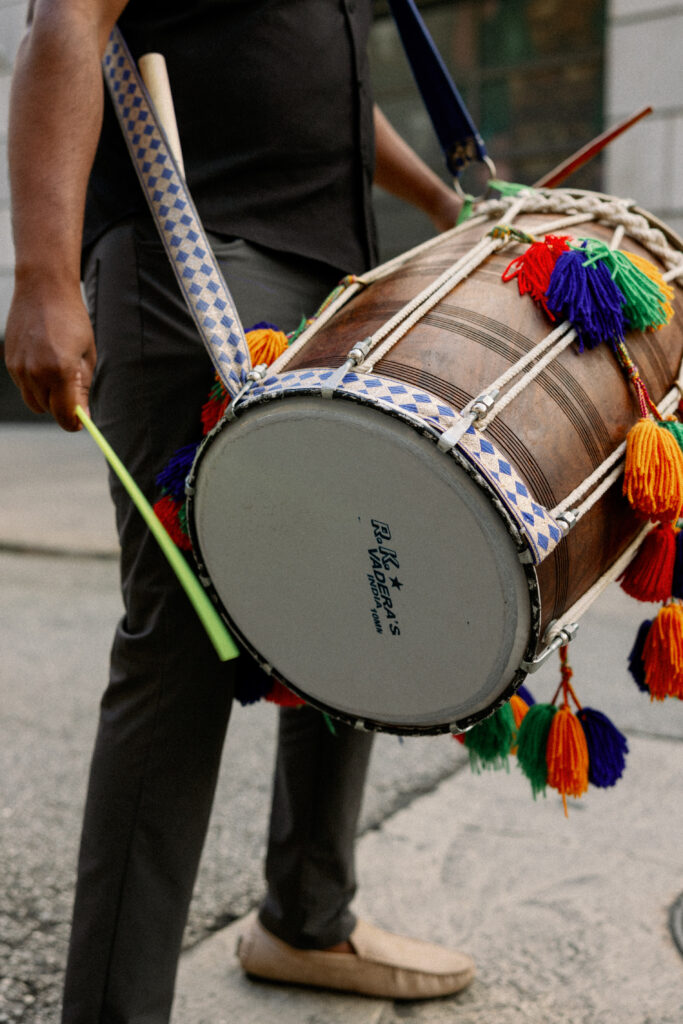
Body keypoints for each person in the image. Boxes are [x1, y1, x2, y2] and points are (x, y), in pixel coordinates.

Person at [5, 2, 474, 1021]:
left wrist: (440, 197)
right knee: (179, 646)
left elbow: (327, 99)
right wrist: (42, 272)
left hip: (331, 281)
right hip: (196, 257)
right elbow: (64, 24)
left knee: (359, 588)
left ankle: (307, 915)